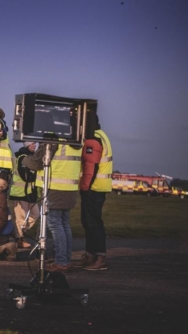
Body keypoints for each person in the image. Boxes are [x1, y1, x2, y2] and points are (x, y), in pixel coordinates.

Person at [23, 142, 82, 272]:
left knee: (55, 224)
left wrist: (25, 159)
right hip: (70, 187)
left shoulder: (52, 139)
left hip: (54, 188)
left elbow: (36, 163)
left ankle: (61, 262)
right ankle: (65, 260)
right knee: (64, 224)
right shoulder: (75, 139)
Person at [75, 116, 113, 271]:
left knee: (93, 223)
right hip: (98, 187)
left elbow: (91, 167)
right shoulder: (102, 135)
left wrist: (84, 187)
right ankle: (91, 255)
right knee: (90, 222)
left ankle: (99, 257)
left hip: (93, 187)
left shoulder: (93, 139)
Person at [9, 142, 39, 249]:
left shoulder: (32, 157)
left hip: (30, 192)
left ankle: (19, 233)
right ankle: (19, 238)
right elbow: (26, 176)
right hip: (20, 192)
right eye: (32, 144)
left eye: (35, 144)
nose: (35, 146)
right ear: (27, 145)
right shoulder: (22, 157)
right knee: (21, 217)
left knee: (35, 214)